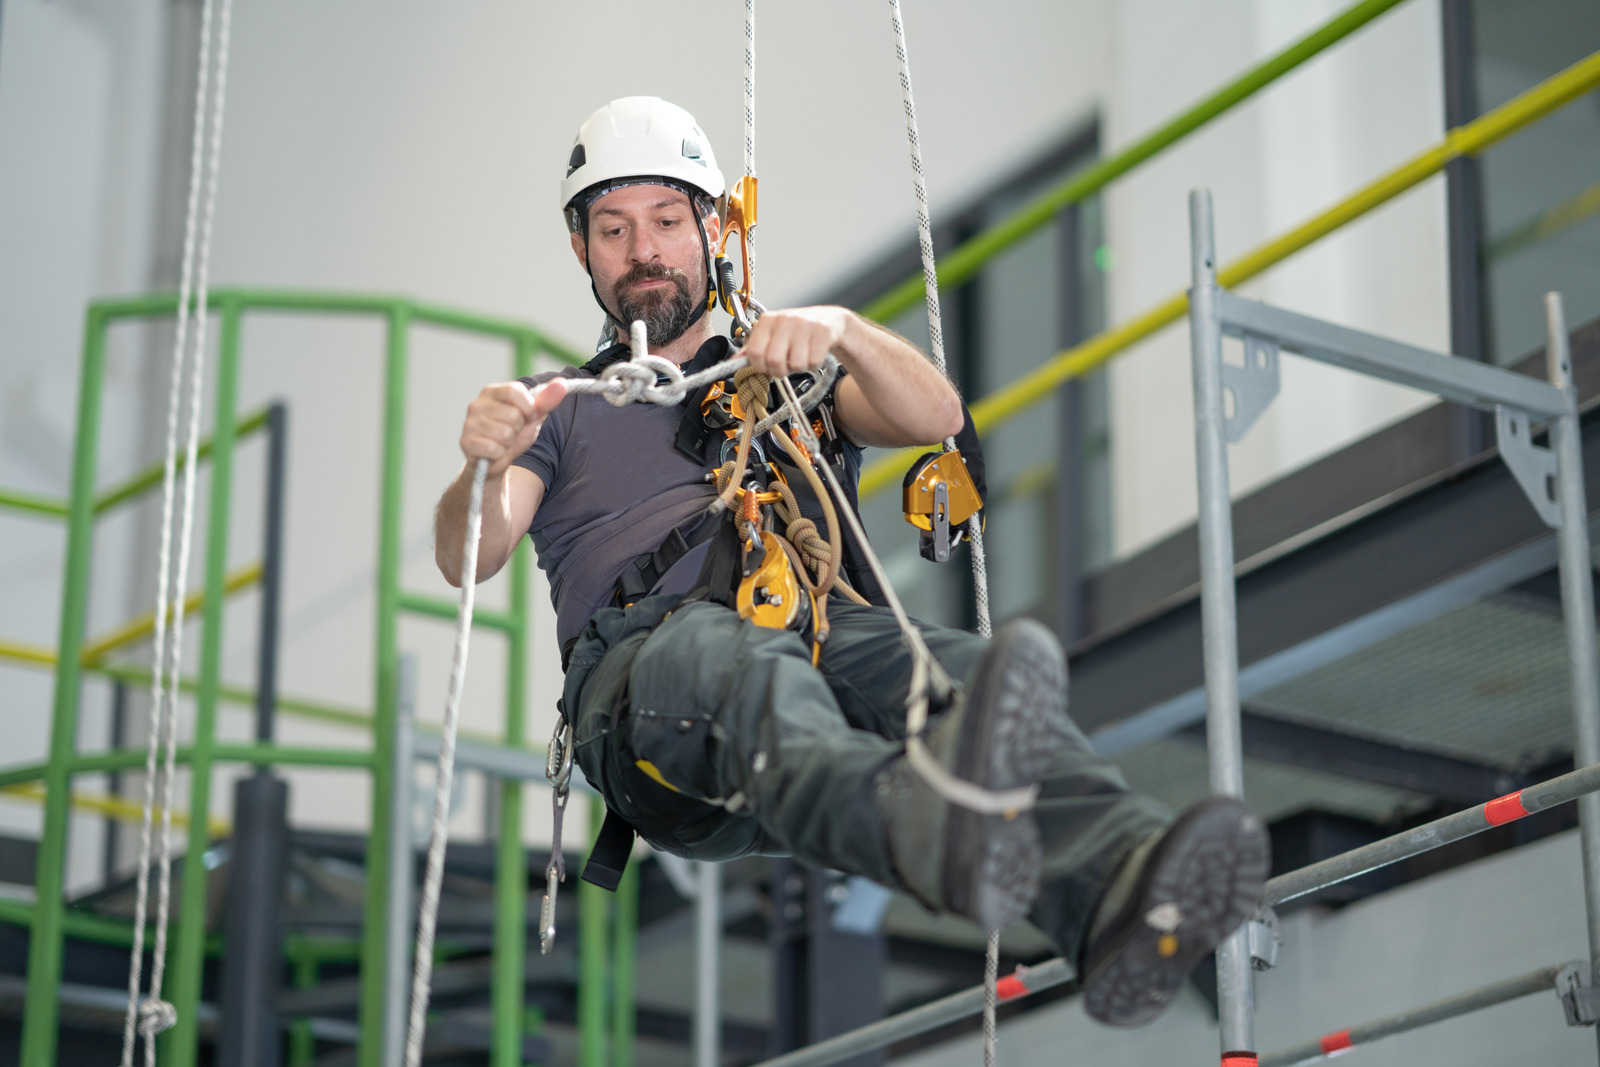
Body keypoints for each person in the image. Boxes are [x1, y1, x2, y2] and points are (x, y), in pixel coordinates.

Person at [434, 96, 1269, 1027]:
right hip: (648, 707)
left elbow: (934, 419)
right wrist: (484, 461)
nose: (644, 250)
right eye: (614, 229)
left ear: (714, 228)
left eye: (667, 221)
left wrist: (842, 329)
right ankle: (913, 821)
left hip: (814, 655)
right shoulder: (561, 409)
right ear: (584, 250)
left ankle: (1116, 895)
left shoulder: (786, 381)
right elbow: (471, 554)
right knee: (729, 656)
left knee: (965, 673)